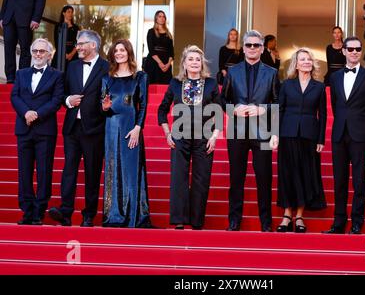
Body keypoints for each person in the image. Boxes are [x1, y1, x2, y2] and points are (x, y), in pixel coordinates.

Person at [48, 30, 109, 227]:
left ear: (93, 45)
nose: (78, 47)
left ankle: (89, 214)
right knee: (69, 170)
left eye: (81, 44)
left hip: (95, 128)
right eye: (77, 43)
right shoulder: (72, 66)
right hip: (72, 127)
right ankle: (65, 211)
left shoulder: (107, 67)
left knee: (92, 172)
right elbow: (63, 92)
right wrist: (68, 100)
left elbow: (111, 96)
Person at [221, 30, 279, 232]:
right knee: (236, 178)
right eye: (248, 45)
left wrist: (263, 109)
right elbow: (222, 99)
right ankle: (234, 221)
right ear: (243, 48)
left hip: (262, 131)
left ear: (262, 48)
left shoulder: (272, 73)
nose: (252, 48)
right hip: (237, 131)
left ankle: (266, 223)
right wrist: (233, 109)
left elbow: (279, 103)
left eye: (256, 45)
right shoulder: (232, 71)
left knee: (264, 178)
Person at [158, 45, 221, 230]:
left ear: (202, 64)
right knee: (179, 178)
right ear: (184, 63)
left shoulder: (210, 83)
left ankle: (196, 221)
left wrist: (215, 136)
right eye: (191, 59)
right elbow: (162, 109)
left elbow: (218, 112)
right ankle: (179, 220)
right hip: (180, 135)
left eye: (197, 59)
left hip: (204, 137)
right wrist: (167, 132)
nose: (194, 62)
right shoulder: (175, 83)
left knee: (201, 179)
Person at [323, 36, 365, 235]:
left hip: (360, 133)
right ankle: (338, 223)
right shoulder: (335, 76)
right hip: (339, 133)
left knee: (358, 180)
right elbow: (335, 104)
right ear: (344, 51)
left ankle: (357, 222)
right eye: (351, 49)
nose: (355, 52)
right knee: (339, 179)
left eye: (358, 49)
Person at [10, 38, 63, 225]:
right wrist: (26, 112)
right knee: (24, 172)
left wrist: (37, 114)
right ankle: (27, 210)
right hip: (24, 129)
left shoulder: (56, 76)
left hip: (45, 130)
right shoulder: (21, 73)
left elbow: (56, 101)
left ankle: (39, 210)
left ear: (50, 55)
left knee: (43, 171)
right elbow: (14, 96)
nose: (38, 54)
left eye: (42, 51)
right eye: (35, 51)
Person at [100, 39, 152, 228]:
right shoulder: (107, 78)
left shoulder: (140, 77)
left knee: (132, 169)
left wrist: (138, 128)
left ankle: (134, 216)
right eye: (116, 51)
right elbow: (104, 106)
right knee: (114, 169)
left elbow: (144, 104)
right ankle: (114, 215)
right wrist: (105, 108)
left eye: (122, 50)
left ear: (129, 52)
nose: (119, 53)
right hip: (112, 126)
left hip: (132, 126)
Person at [276, 47, 327, 233]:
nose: (306, 62)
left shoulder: (319, 87)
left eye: (309, 59)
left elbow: (323, 114)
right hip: (287, 134)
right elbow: (280, 110)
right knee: (288, 174)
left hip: (309, 136)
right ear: (296, 64)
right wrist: (275, 134)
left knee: (306, 174)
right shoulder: (286, 85)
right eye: (302, 59)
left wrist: (321, 139)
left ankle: (299, 216)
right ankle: (286, 214)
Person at [0, 0, 47, 84]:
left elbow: (40, 0)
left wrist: (36, 18)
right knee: (9, 49)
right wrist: (2, 17)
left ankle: (22, 77)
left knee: (25, 50)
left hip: (26, 19)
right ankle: (10, 78)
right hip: (9, 18)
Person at [144, 10, 174, 84]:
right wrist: (160, 63)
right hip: (153, 63)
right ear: (156, 19)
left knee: (166, 88)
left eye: (164, 16)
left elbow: (171, 51)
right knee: (152, 87)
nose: (162, 18)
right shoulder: (151, 31)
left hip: (166, 64)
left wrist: (168, 64)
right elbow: (151, 49)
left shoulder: (168, 34)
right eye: (160, 16)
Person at [52, 5, 80, 70]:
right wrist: (63, 54)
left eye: (72, 12)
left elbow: (77, 42)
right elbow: (56, 41)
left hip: (73, 54)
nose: (70, 14)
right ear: (63, 13)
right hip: (60, 53)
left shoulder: (76, 28)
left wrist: (71, 54)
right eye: (68, 12)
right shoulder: (58, 26)